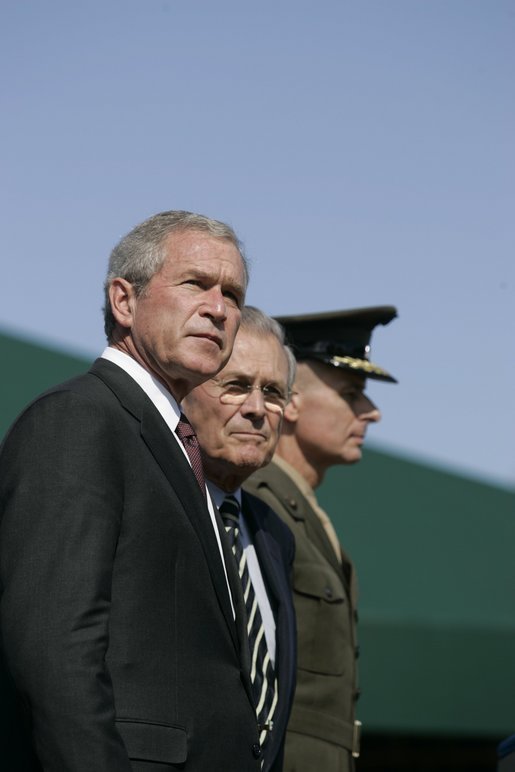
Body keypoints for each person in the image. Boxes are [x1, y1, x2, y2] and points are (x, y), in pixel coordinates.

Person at [0, 210, 265, 771]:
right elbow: (55, 648)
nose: (219, 309)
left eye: (234, 295)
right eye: (195, 283)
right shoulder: (78, 419)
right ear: (124, 301)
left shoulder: (175, 443)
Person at [244, 305, 398, 772]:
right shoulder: (255, 501)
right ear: (290, 401)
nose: (371, 412)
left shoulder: (297, 509)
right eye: (352, 393)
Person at [182, 306, 297, 772]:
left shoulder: (275, 535)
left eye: (273, 393)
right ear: (184, 394)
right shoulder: (155, 504)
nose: (255, 409)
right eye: (235, 386)